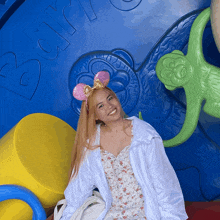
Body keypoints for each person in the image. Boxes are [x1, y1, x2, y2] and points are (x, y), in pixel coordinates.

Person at [60, 71, 188, 220]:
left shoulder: (144, 135)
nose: (109, 106)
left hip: (145, 213)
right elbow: (79, 189)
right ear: (94, 116)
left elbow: (165, 184)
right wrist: (66, 217)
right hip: (112, 215)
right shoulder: (92, 146)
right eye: (100, 106)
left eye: (110, 98)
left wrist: (172, 217)